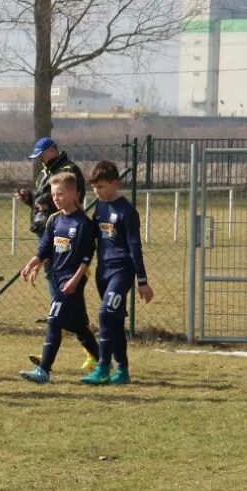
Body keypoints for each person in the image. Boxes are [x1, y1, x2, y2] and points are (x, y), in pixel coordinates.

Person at [17, 137, 95, 373]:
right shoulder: (54, 218)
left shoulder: (82, 222)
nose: (55, 198)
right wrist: (33, 263)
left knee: (54, 317)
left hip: (71, 276)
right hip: (58, 269)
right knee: (78, 325)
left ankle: (44, 369)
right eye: (53, 195)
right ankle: (103, 360)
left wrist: (76, 278)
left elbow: (86, 256)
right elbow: (45, 247)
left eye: (60, 194)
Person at [81, 160, 154, 385]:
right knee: (114, 320)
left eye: (101, 187)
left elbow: (135, 247)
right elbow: (91, 234)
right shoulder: (100, 208)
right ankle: (122, 370)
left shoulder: (127, 212)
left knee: (104, 314)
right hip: (103, 271)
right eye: (94, 187)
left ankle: (103, 367)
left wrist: (142, 280)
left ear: (115, 183)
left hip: (121, 271)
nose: (97, 192)